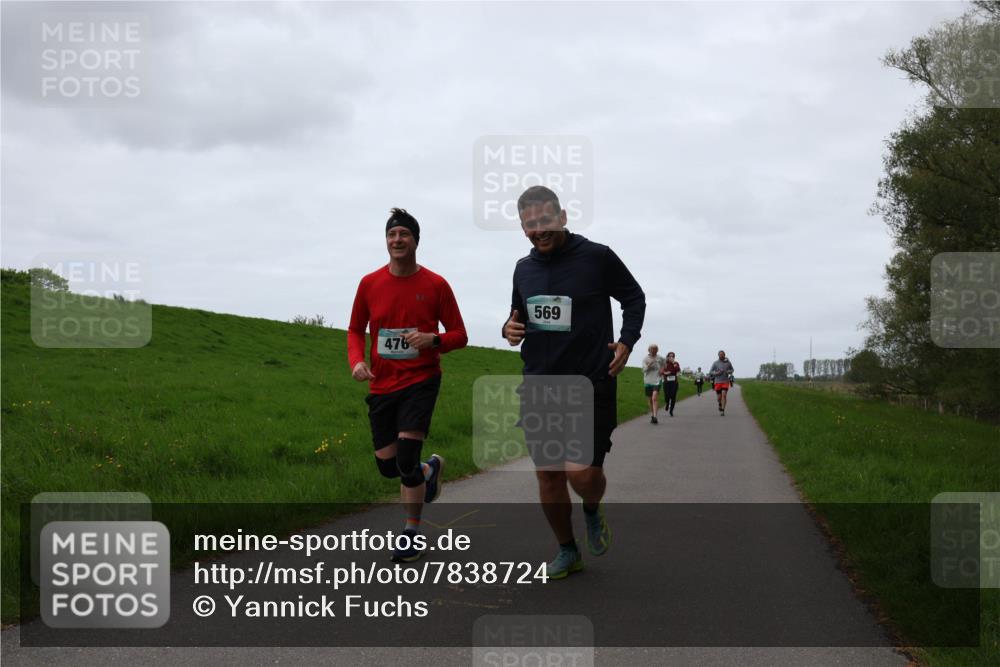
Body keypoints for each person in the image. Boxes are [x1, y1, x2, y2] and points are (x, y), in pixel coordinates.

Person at [502, 185, 645, 579]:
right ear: (522, 227)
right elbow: (517, 315)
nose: (538, 230)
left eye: (545, 220)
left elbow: (634, 298)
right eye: (529, 224)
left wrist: (627, 342)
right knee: (549, 474)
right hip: (539, 385)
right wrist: (509, 329)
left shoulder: (596, 257)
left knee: (581, 475)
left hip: (590, 382)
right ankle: (567, 550)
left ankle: (592, 506)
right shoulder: (523, 268)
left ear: (563, 217)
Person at [348, 208, 468, 563]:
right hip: (382, 385)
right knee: (388, 466)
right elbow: (355, 329)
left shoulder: (436, 285)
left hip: (421, 380)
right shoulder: (370, 283)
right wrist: (356, 361)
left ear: (416, 240)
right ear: (386, 241)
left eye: (404, 234)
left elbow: (460, 335)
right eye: (392, 234)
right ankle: (429, 470)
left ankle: (411, 533)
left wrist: (434, 340)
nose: (397, 240)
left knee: (404, 458)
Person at [642, 344, 665, 423]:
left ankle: (655, 416)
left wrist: (662, 369)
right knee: (650, 400)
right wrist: (649, 365)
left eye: (655, 349)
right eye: (652, 349)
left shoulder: (660, 358)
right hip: (648, 381)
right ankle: (652, 414)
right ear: (649, 350)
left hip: (657, 380)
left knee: (654, 398)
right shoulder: (645, 359)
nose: (654, 351)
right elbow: (644, 370)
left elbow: (664, 364)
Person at [709, 350, 735, 416]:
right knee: (719, 397)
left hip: (725, 381)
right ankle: (720, 404)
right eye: (720, 354)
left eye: (723, 354)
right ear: (718, 355)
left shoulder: (728, 363)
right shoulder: (715, 363)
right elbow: (711, 372)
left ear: (724, 355)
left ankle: (723, 410)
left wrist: (728, 372)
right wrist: (717, 373)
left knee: (724, 395)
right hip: (717, 382)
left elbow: (732, 370)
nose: (721, 355)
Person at [660, 352, 681, 416]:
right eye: (670, 356)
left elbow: (678, 369)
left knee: (673, 396)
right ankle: (667, 403)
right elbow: (661, 371)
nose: (671, 358)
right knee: (667, 396)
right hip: (666, 382)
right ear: (667, 357)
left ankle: (671, 411)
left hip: (674, 382)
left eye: (673, 356)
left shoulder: (676, 363)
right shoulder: (665, 364)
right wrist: (665, 373)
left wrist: (673, 363)